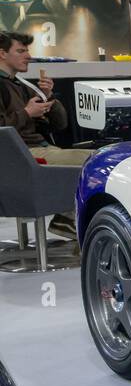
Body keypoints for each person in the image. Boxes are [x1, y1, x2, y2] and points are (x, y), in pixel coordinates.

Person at [0, 31, 85, 236]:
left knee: (97, 158)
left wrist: (48, 97)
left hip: (38, 150)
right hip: (22, 156)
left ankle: (68, 218)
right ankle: (67, 219)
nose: (28, 55)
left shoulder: (22, 85)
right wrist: (27, 113)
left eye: (27, 50)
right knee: (95, 160)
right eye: (21, 51)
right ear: (2, 53)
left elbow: (60, 124)